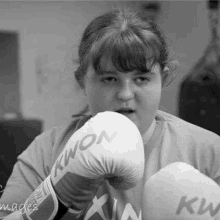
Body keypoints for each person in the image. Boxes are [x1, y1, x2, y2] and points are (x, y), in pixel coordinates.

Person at [1, 6, 220, 220]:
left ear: (162, 79)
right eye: (109, 79)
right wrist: (55, 198)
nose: (125, 94)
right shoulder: (46, 151)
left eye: (141, 79)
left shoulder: (207, 151)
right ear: (82, 81)